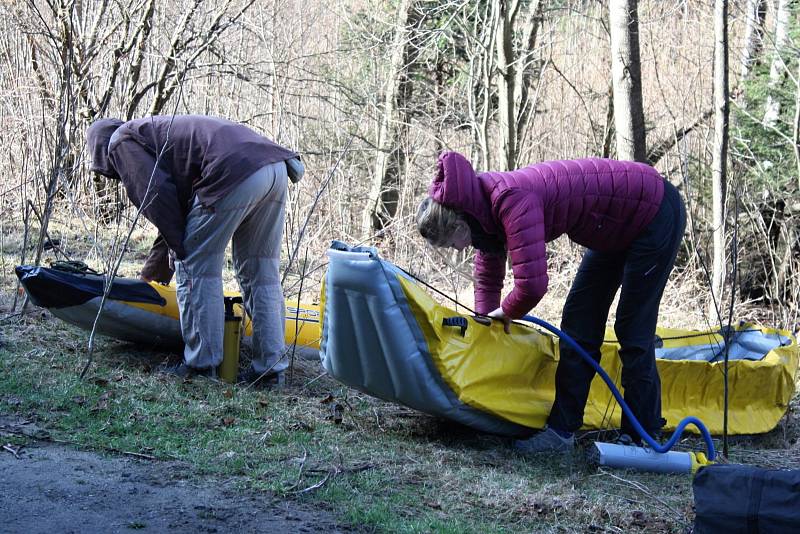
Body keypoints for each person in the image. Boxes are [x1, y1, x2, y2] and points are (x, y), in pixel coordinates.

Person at [416, 152, 686, 453]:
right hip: (612, 227)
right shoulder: (480, 212)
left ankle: (642, 435)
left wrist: (505, 313)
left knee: (632, 328)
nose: (456, 249)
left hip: (653, 212)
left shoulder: (510, 199)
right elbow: (488, 276)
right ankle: (561, 433)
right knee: (578, 322)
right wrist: (485, 322)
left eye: (451, 243)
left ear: (459, 227)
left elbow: (532, 286)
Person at [87, 115, 305, 385]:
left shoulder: (120, 141)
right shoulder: (154, 134)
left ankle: (201, 366)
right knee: (262, 273)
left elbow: (158, 199)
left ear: (100, 148)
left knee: (196, 267)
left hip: (233, 170)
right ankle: (270, 372)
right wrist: (153, 278)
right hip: (274, 168)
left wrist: (181, 251)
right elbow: (174, 211)